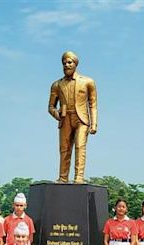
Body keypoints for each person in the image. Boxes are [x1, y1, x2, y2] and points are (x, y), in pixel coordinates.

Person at [48, 51, 97, 183]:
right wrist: (57, 114)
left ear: (75, 64)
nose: (67, 65)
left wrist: (94, 124)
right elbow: (50, 106)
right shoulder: (57, 85)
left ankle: (79, 177)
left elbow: (93, 103)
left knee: (80, 146)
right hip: (65, 119)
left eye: (69, 62)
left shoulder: (88, 82)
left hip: (81, 118)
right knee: (64, 149)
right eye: (64, 63)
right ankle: (63, 177)